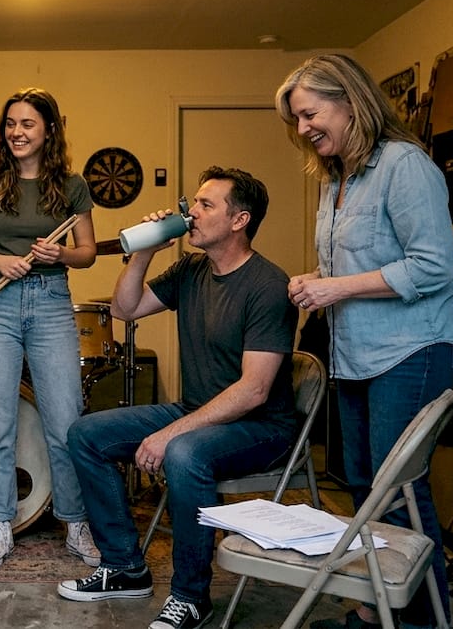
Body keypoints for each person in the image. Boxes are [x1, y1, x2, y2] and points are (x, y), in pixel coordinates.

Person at [275, 54, 453, 629]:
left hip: (413, 349)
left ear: (350, 101)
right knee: (364, 488)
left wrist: (335, 287)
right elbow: (357, 264)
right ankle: (376, 608)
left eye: (311, 114)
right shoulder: (338, 179)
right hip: (356, 355)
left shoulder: (404, 165)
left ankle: (420, 621)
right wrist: (317, 279)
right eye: (298, 121)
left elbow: (436, 267)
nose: (305, 129)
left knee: (398, 492)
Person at [58, 167, 298, 629]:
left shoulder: (268, 285)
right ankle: (126, 566)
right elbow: (124, 310)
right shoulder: (192, 269)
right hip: (200, 410)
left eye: (206, 205)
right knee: (86, 434)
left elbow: (254, 390)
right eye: (194, 202)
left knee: (185, 453)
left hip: (260, 427)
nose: (191, 212)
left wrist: (169, 433)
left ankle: (191, 596)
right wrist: (142, 254)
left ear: (239, 220)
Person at [0, 87, 101, 571]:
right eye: (11, 123)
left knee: (65, 421)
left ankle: (75, 522)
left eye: (28, 124)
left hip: (53, 301)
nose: (17, 132)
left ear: (49, 130)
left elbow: (88, 252)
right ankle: (0, 525)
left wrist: (61, 255)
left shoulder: (73, 185)